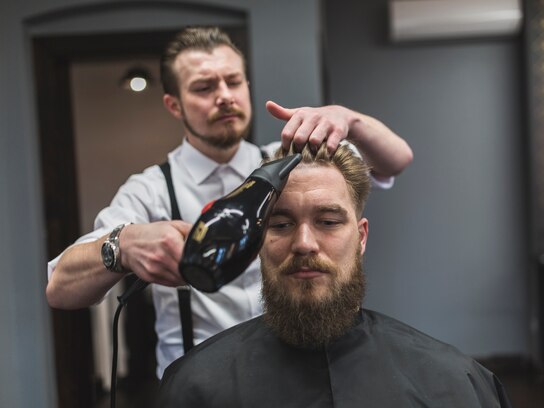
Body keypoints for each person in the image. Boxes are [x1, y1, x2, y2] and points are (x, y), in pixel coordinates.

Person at [45, 26, 413, 378]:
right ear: (174, 105)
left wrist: (349, 118)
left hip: (294, 382)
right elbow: (60, 288)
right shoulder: (151, 190)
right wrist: (120, 246)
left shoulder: (290, 163)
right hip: (200, 391)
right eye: (205, 87)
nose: (224, 95)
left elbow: (396, 159)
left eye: (233, 81)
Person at [150, 143, 516, 408]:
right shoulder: (195, 389)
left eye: (327, 222)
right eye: (280, 224)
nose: (304, 243)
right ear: (258, 240)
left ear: (362, 238)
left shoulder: (455, 384)